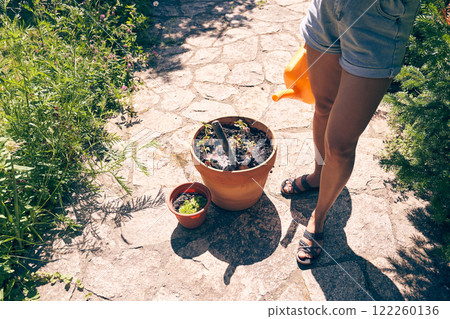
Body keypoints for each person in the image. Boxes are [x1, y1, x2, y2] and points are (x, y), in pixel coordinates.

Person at [280, 0, 421, 265]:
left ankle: (318, 216)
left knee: (340, 145)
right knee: (323, 106)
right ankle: (318, 175)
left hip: (380, 18)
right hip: (328, 9)